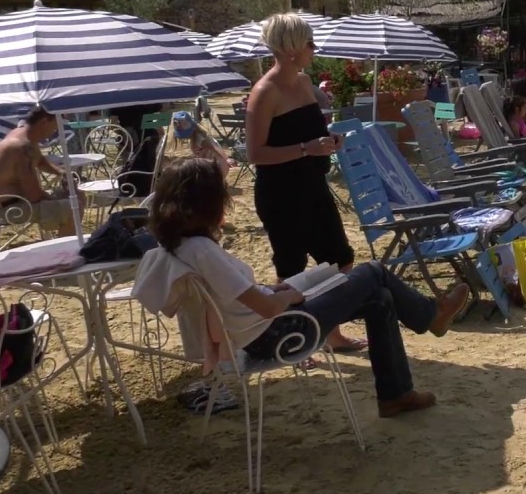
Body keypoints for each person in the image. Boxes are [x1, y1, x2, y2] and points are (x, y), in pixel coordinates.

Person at [136, 158, 470, 417]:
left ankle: (396, 395)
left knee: (379, 299)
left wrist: (276, 291)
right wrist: (291, 294)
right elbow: (266, 309)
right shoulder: (202, 250)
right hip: (275, 335)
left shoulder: (179, 245)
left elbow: (240, 299)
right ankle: (431, 317)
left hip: (262, 329)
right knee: (373, 271)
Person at [245, 12, 365, 352]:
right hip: (282, 193)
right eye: (309, 42)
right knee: (291, 270)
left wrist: (328, 140)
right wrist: (305, 149)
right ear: (291, 48)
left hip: (313, 185)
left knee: (340, 259)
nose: (315, 48)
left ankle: (331, 335)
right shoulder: (265, 91)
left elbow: (309, 132)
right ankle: (291, 339)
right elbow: (255, 153)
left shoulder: (303, 81)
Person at [0, 105, 75, 236]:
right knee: (71, 208)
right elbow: (34, 195)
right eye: (56, 125)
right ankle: (64, 252)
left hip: (18, 201)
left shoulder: (24, 135)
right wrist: (58, 201)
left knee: (75, 196)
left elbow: (40, 161)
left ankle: (67, 241)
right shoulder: (21, 147)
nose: (56, 130)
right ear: (44, 122)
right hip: (8, 209)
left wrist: (62, 173)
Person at [172, 111, 231, 180]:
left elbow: (216, 148)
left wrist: (226, 159)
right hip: (208, 164)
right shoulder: (194, 138)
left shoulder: (201, 140)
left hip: (217, 167)